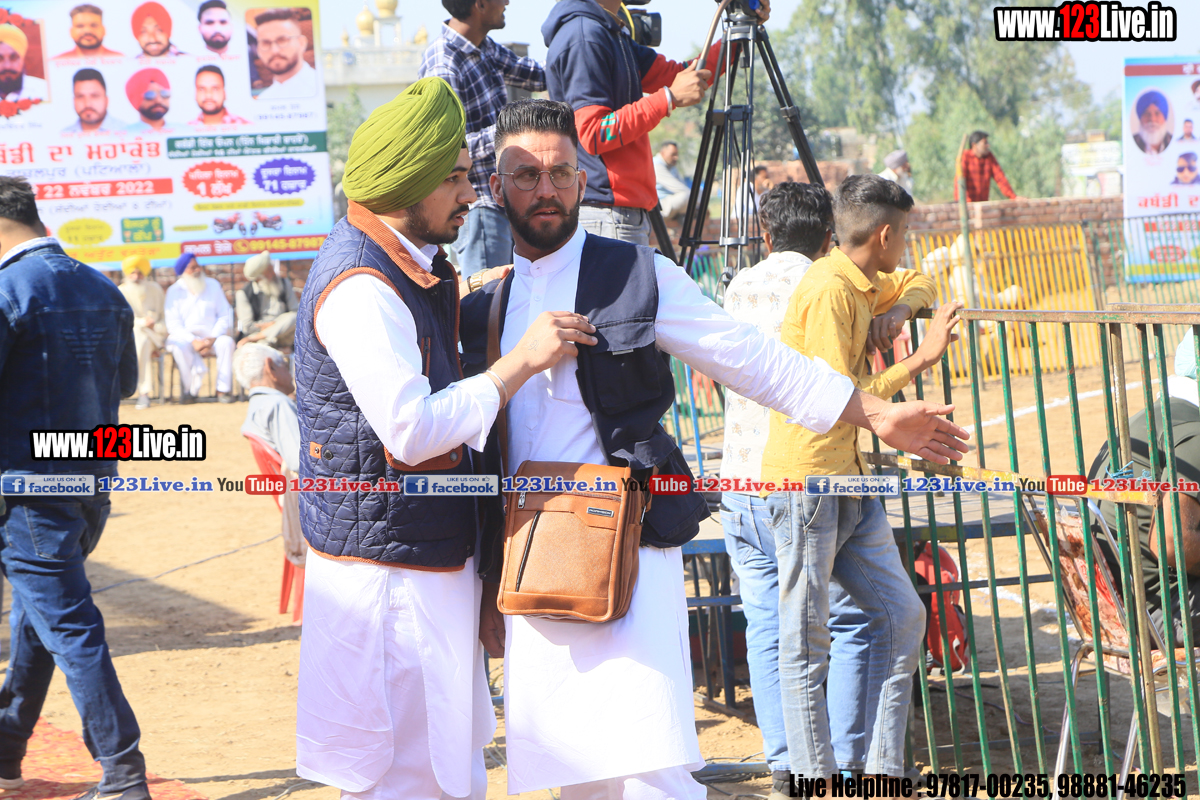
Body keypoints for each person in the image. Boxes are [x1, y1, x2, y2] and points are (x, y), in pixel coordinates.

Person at [460, 99, 969, 800]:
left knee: (653, 772)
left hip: (631, 562)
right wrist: (489, 587)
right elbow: (475, 454)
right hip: (535, 570)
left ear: (582, 179)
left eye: (560, 173)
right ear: (496, 188)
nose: (546, 190)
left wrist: (876, 413)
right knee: (574, 779)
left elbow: (760, 364)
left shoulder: (639, 275)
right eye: (526, 176)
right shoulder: (483, 307)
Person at [292, 78, 595, 800]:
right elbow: (413, 429)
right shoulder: (362, 287)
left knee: (442, 764)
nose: (470, 194)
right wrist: (520, 361)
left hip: (416, 556)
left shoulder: (405, 268)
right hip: (391, 576)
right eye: (455, 179)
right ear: (409, 183)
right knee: (409, 774)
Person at [760, 173, 962, 785]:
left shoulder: (862, 280)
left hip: (848, 478)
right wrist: (920, 359)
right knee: (805, 642)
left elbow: (924, 280)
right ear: (884, 235)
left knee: (903, 617)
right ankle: (814, 780)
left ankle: (881, 772)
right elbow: (832, 399)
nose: (907, 245)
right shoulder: (830, 290)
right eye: (904, 234)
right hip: (809, 483)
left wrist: (899, 309)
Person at [0, 176, 149, 800]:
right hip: (90, 484)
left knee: (66, 625)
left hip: (27, 492)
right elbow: (126, 385)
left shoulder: (7, 290)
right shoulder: (103, 287)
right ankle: (6, 751)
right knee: (41, 620)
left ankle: (123, 771)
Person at [718, 181, 835, 797]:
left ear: (765, 234)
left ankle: (786, 761)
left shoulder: (739, 285)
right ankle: (831, 758)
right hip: (798, 480)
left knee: (765, 626)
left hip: (738, 479)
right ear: (828, 237)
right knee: (827, 626)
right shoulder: (826, 284)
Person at [541, 0, 769, 245]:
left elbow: (681, 76)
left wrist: (736, 36)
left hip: (618, 212)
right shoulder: (584, 36)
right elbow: (594, 132)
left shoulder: (608, 32)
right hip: (606, 212)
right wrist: (668, 98)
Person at [418, 0, 546, 279]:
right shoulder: (443, 64)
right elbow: (448, 151)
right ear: (480, 5)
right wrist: (511, 129)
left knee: (512, 295)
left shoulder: (484, 47)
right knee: (487, 296)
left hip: (502, 200)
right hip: (478, 207)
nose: (507, 2)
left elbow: (539, 76)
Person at [1087, 333, 1200, 646]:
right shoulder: (1193, 431)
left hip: (1113, 607)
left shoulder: (1149, 418)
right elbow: (1173, 543)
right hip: (1161, 613)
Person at [235, 343, 306, 568]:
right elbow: (299, 462)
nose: (290, 372)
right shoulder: (277, 404)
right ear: (270, 368)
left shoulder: (258, 404)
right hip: (307, 506)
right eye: (284, 365)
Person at [164, 252, 235, 403]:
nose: (197, 270)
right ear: (183, 271)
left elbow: (225, 314)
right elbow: (173, 324)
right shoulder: (174, 291)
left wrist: (212, 337)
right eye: (192, 268)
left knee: (226, 343)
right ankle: (189, 391)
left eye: (198, 266)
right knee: (178, 346)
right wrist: (193, 340)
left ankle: (223, 391)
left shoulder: (212, 285)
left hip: (212, 337)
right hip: (186, 338)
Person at [117, 255, 167, 410]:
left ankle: (143, 392)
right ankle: (143, 392)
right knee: (140, 337)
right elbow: (122, 320)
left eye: (139, 273)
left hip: (156, 336)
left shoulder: (155, 289)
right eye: (132, 273)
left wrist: (155, 326)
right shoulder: (121, 291)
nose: (136, 277)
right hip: (132, 337)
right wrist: (142, 323)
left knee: (142, 339)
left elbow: (165, 317)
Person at [236, 250, 297, 348]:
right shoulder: (244, 294)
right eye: (268, 270)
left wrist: (275, 324)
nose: (273, 273)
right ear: (260, 277)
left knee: (294, 317)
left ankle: (257, 338)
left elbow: (295, 312)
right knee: (263, 346)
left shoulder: (284, 283)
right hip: (260, 335)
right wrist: (266, 326)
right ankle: (261, 338)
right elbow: (247, 326)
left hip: (285, 332)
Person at [253, 9, 316, 101]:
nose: (274, 50)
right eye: (266, 43)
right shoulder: (263, 99)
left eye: (282, 40)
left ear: (301, 43)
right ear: (258, 50)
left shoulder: (320, 88)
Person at [956, 130, 1023, 203]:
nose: (988, 145)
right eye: (985, 143)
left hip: (982, 204)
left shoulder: (989, 157)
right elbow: (959, 183)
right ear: (974, 145)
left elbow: (1000, 178)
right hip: (967, 204)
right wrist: (965, 203)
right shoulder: (965, 156)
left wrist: (1013, 196)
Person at [63, 68, 128, 133]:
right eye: (80, 96)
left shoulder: (127, 132)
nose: (87, 104)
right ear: (74, 101)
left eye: (94, 96)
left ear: (106, 100)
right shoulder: (63, 134)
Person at [54, 4, 122, 58]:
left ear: (104, 30)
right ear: (71, 32)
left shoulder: (120, 60)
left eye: (94, 25)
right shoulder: (57, 63)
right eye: (80, 26)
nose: (88, 30)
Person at [0, 24, 45, 103]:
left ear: (23, 58)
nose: (7, 66)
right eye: (0, 59)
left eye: (13, 58)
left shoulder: (43, 90)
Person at [124, 68, 172, 133]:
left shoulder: (182, 131)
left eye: (164, 93)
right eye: (150, 95)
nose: (159, 100)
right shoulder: (126, 134)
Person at [654, 140, 691, 220]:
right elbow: (679, 188)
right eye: (673, 154)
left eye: (676, 154)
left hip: (671, 201)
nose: (676, 157)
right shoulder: (656, 165)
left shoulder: (671, 166)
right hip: (661, 205)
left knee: (699, 192)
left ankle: (683, 215)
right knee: (687, 195)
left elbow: (682, 185)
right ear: (663, 153)